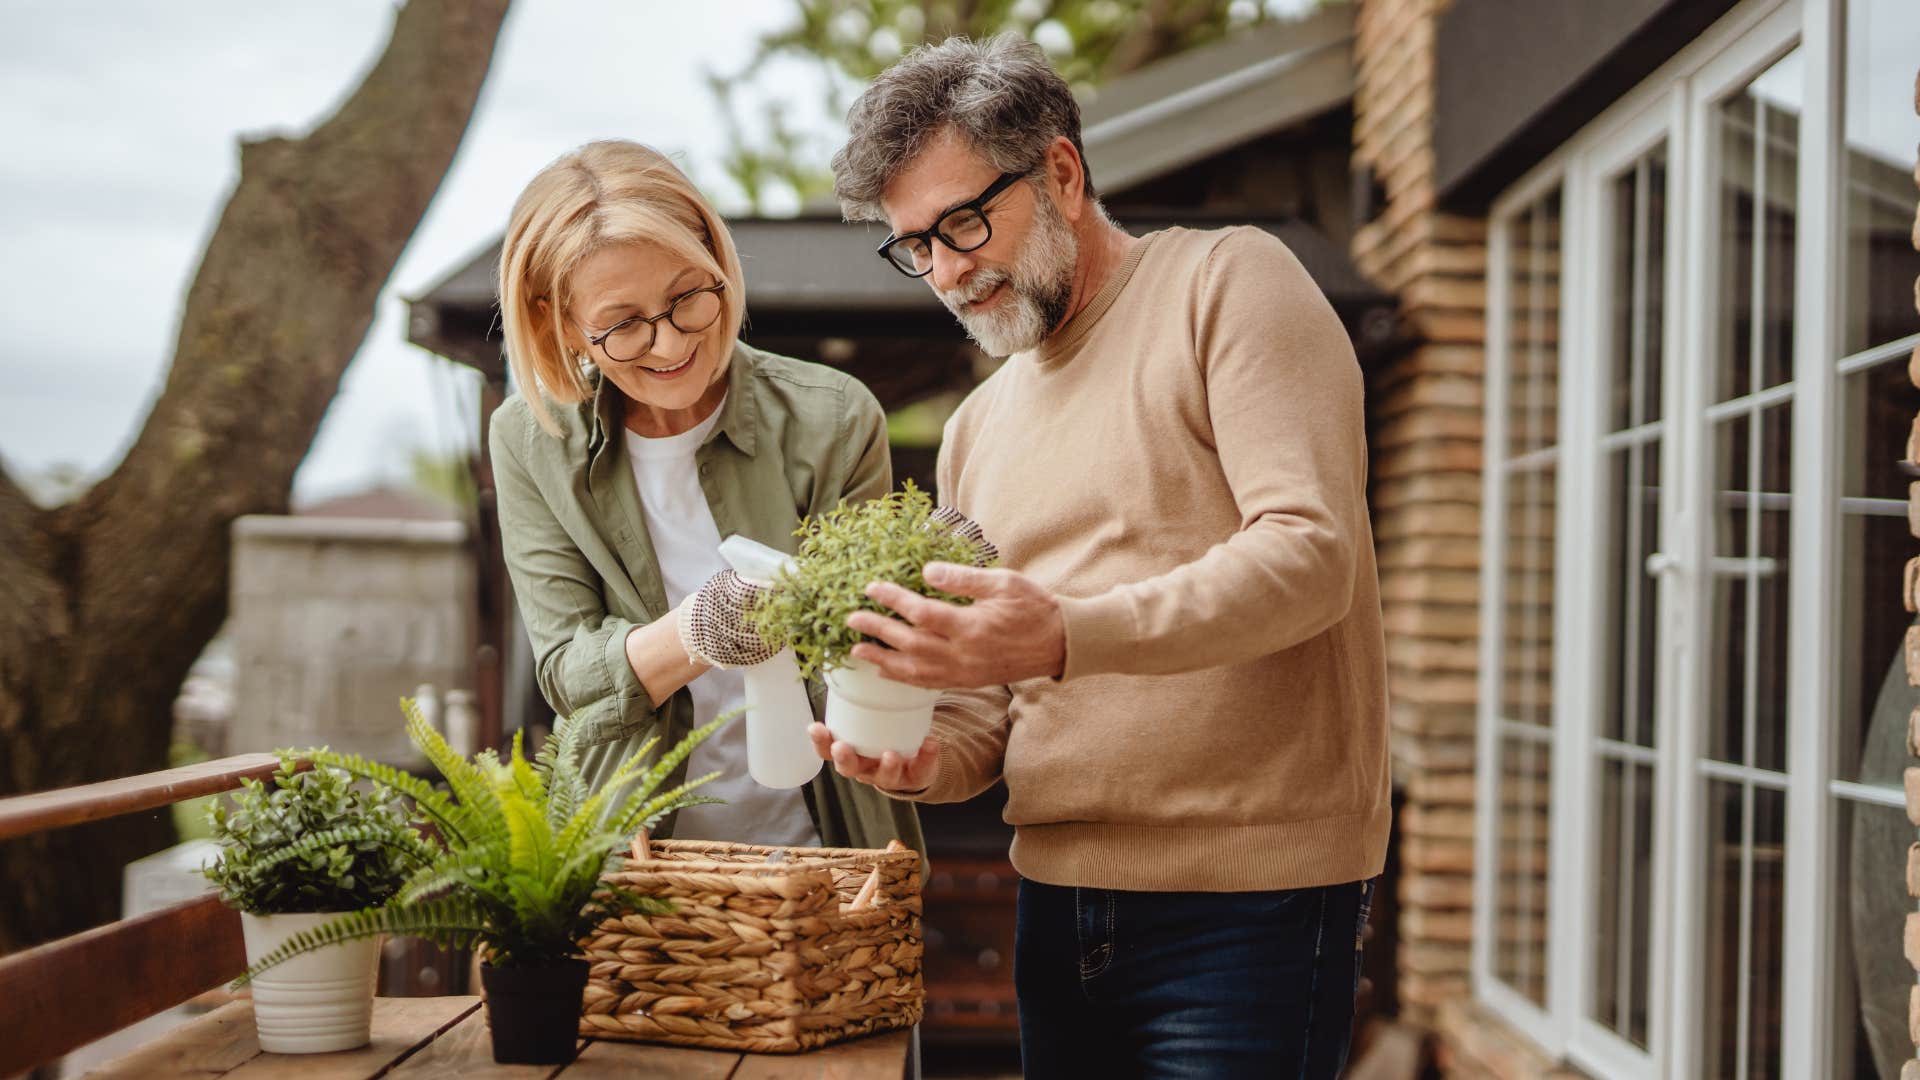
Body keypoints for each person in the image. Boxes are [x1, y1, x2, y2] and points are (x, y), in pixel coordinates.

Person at [813, 36, 1391, 1078]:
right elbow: (991, 701)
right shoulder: (975, 430)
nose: (945, 271)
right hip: (1058, 902)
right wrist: (931, 762)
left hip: (1247, 906)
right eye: (915, 246)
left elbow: (1311, 556)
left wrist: (1068, 631)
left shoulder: (1231, 284)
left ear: (1063, 175)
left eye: (963, 223)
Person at [490, 140, 920, 854]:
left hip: (828, 856)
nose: (668, 345)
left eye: (688, 296)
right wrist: (697, 631)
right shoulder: (530, 440)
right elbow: (566, 672)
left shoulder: (833, 417)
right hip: (627, 866)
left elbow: (871, 652)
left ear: (716, 257)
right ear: (563, 324)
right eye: (624, 324)